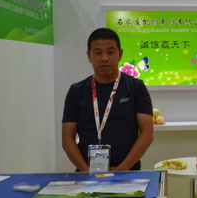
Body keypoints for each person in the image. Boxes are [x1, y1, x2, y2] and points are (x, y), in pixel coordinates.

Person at [62, 27, 154, 171]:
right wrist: (86, 171)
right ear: (89, 56)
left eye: (110, 52)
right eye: (98, 53)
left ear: (120, 54)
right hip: (86, 174)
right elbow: (67, 139)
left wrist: (123, 168)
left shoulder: (136, 87)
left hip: (128, 173)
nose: (104, 58)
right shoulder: (77, 91)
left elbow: (147, 134)